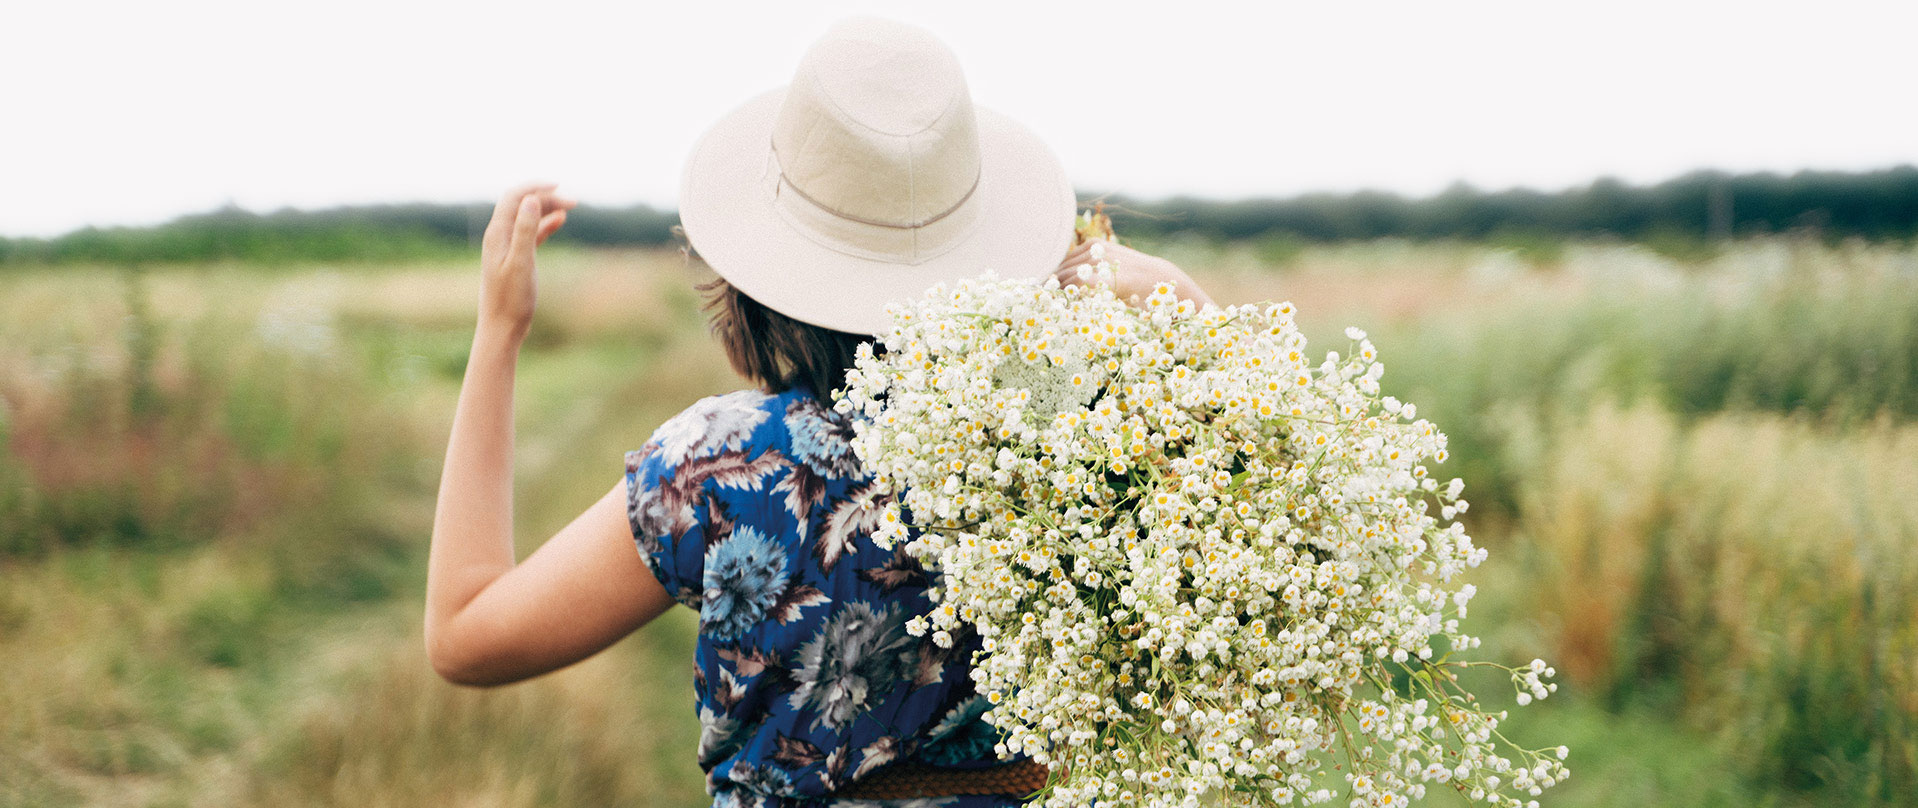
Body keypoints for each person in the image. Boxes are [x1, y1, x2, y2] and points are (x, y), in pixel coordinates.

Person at [422, 17, 1211, 808]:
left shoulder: (723, 464)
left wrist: (499, 333)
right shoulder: (1065, 426)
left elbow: (466, 636)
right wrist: (1192, 311)